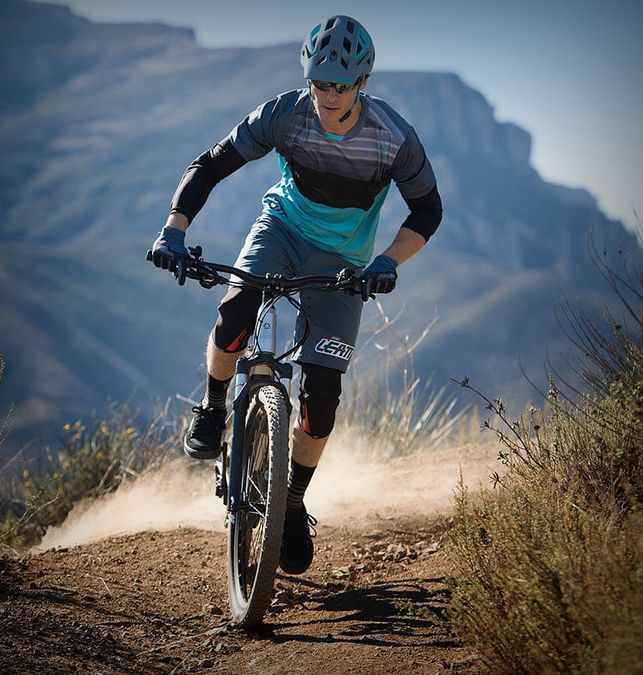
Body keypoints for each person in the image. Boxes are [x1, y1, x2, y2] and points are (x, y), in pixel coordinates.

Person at [150, 15, 442, 575]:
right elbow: (211, 165)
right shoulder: (284, 114)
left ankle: (291, 501)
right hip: (280, 230)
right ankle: (212, 409)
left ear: (362, 84)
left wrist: (386, 261)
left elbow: (428, 208)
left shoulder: (392, 137)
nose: (328, 95)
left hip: (346, 263)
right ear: (307, 76)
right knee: (235, 309)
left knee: (322, 396)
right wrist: (174, 230)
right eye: (319, 82)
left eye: (341, 85)